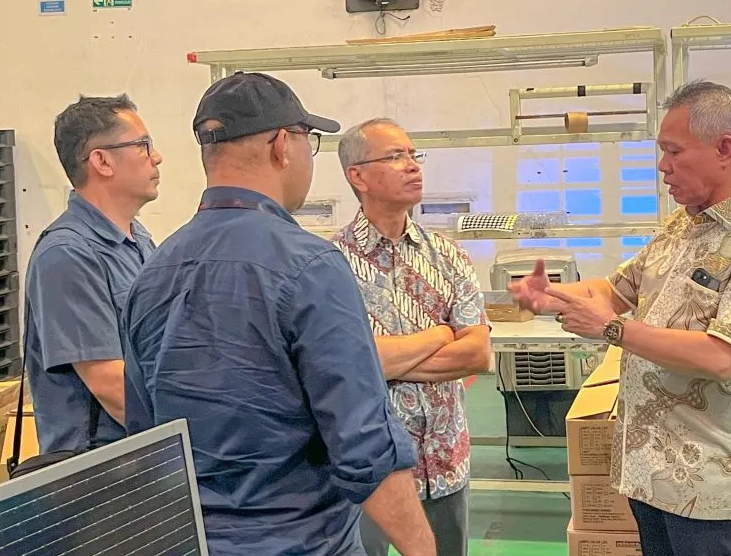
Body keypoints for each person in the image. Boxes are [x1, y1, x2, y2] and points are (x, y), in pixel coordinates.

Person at [122, 73, 436, 556]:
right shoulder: (310, 266)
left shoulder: (153, 272)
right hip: (302, 542)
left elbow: (145, 437)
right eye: (310, 140)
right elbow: (365, 445)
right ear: (282, 145)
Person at [509, 80, 731, 556]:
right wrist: (551, 296)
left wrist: (611, 329)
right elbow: (615, 291)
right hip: (653, 473)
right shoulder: (683, 224)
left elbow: (723, 357)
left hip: (715, 481)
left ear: (724, 149)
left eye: (674, 151)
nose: (662, 166)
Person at [332, 118, 491, 556]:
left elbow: (477, 353)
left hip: (445, 461)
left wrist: (385, 360)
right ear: (358, 176)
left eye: (412, 154)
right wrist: (441, 334)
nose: (412, 165)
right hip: (370, 470)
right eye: (395, 156)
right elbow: (346, 364)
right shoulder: (329, 264)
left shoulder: (449, 256)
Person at [23, 94, 162, 454]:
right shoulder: (67, 255)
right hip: (103, 468)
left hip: (142, 452)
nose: (157, 157)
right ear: (101, 161)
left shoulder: (138, 241)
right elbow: (111, 386)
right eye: (143, 145)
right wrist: (195, 436)